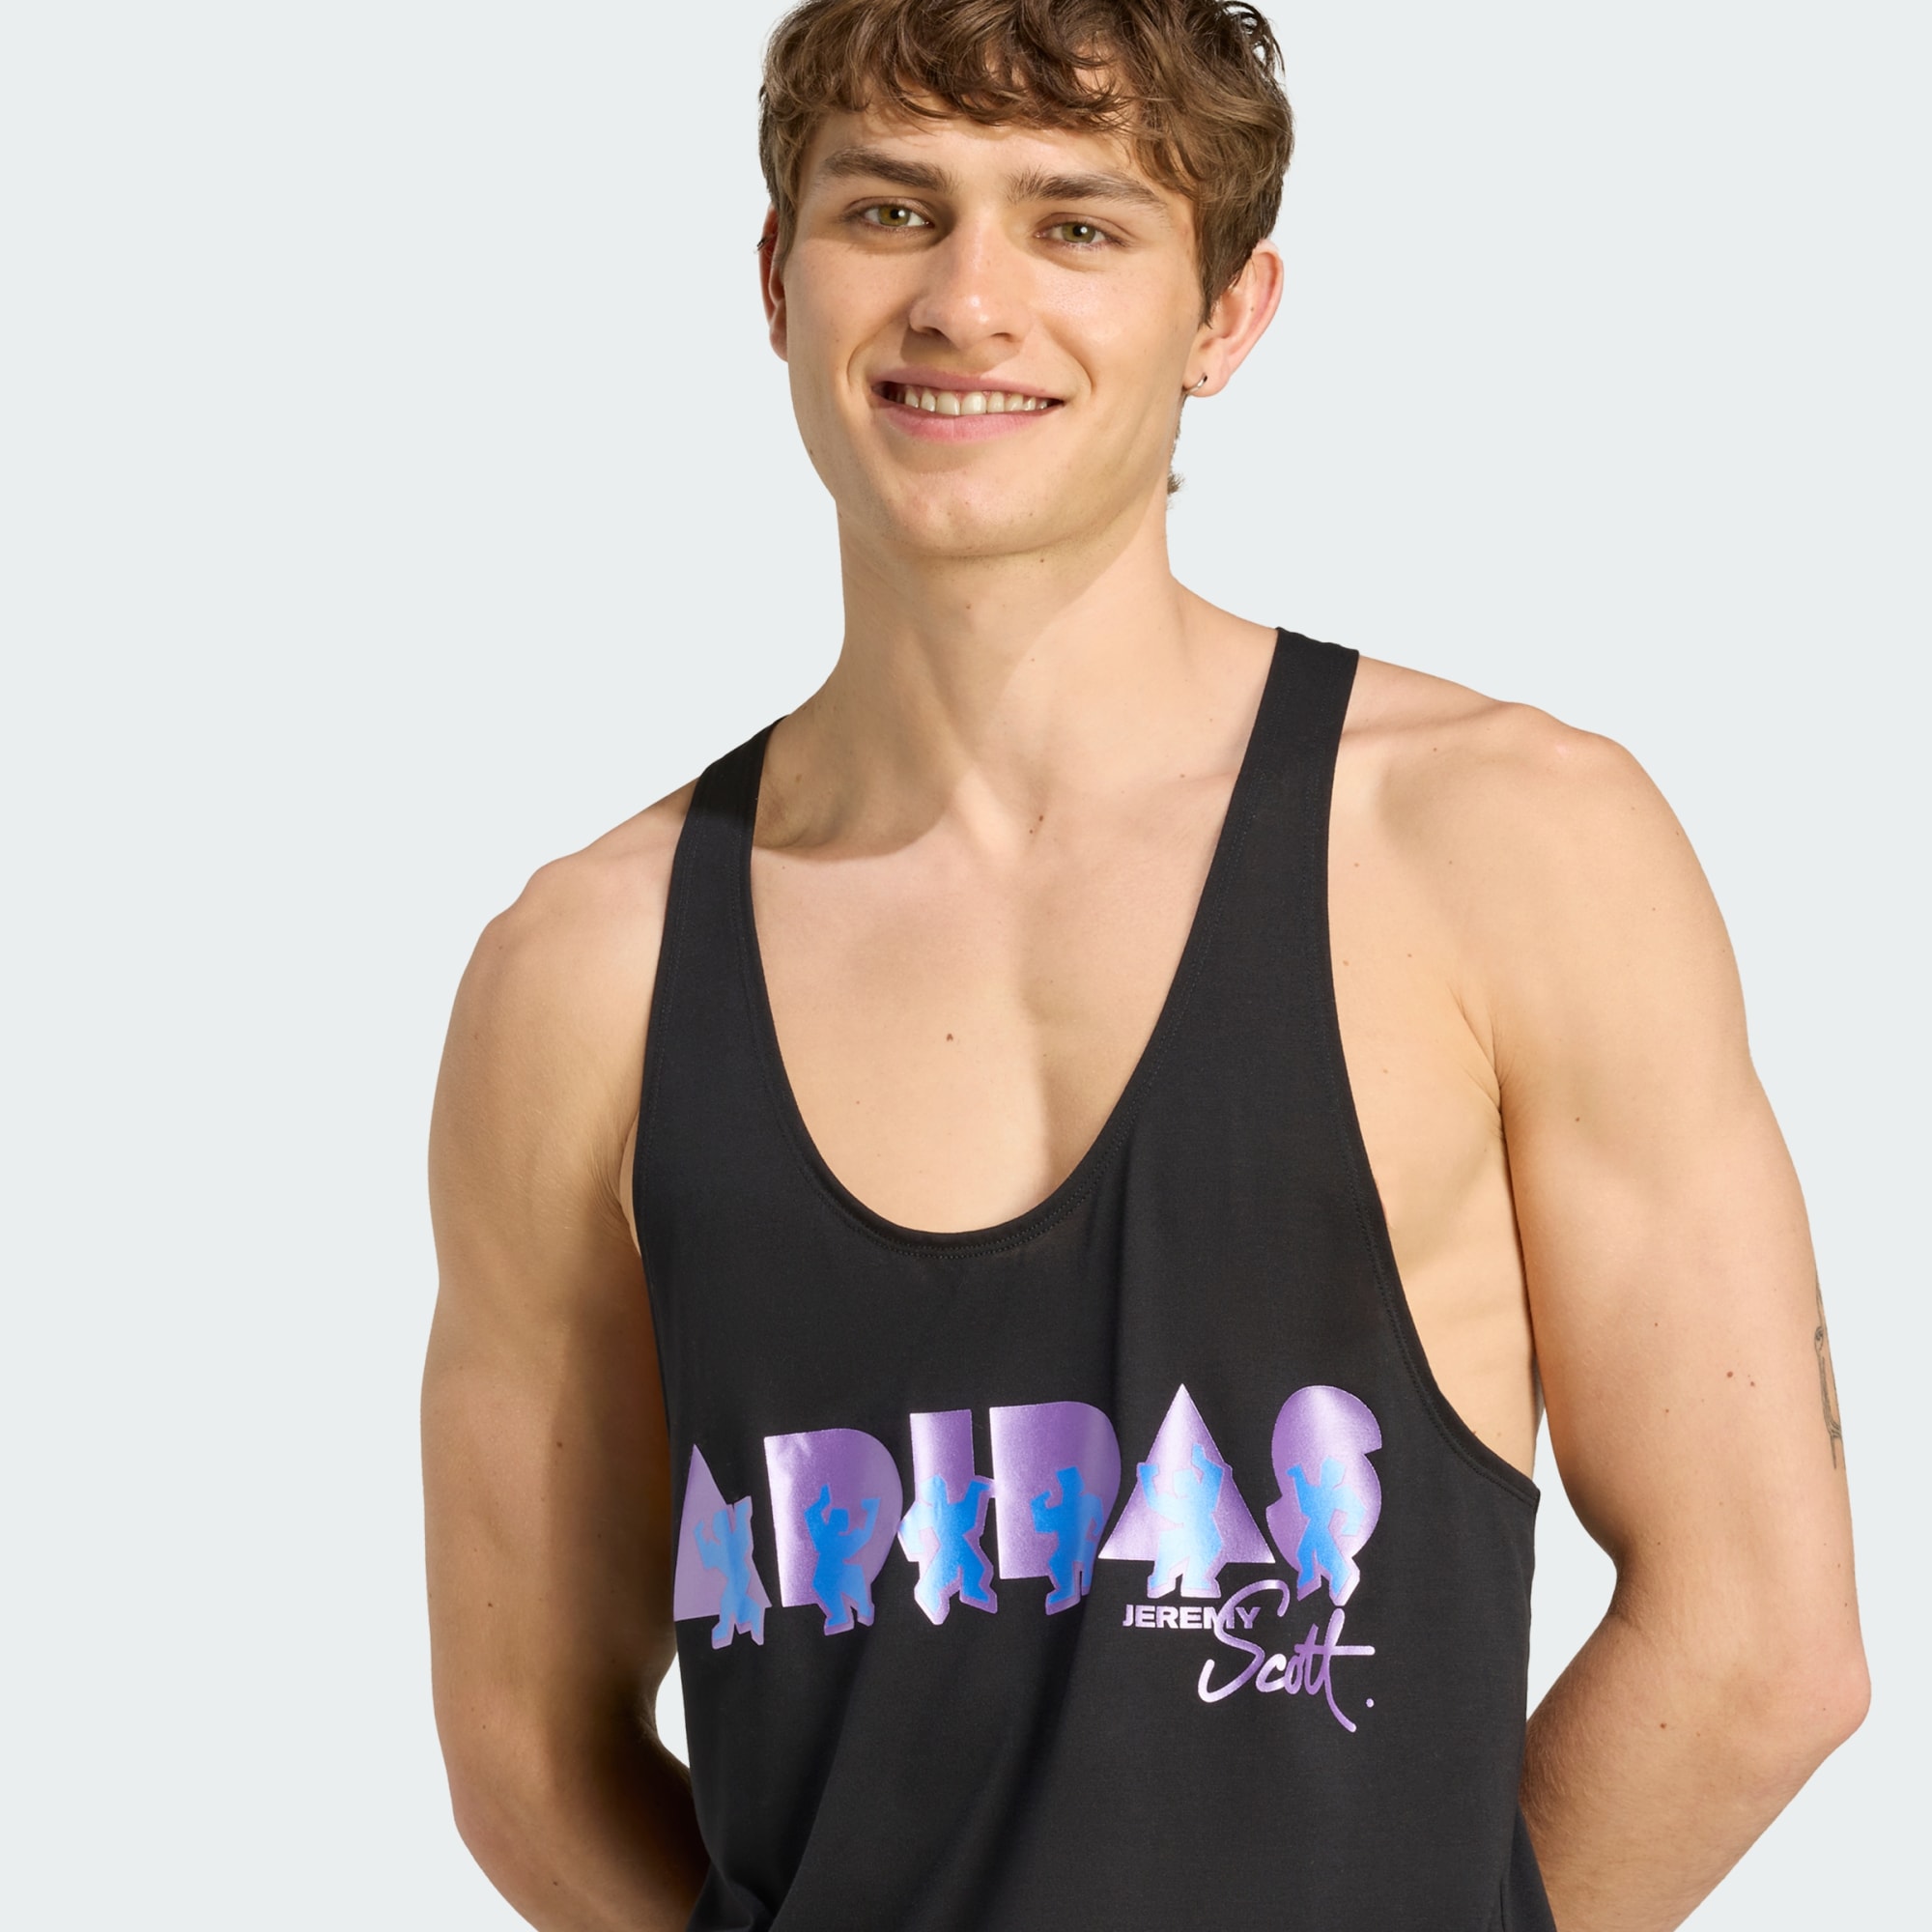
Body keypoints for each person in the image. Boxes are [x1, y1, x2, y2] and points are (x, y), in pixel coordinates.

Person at [421, 1, 1867, 1926]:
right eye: (889, 211)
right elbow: (526, 1752)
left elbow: (1761, 1644)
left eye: (1076, 224)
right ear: (776, 278)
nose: (966, 301)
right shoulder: (583, 973)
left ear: (1226, 313)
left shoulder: (1504, 847)